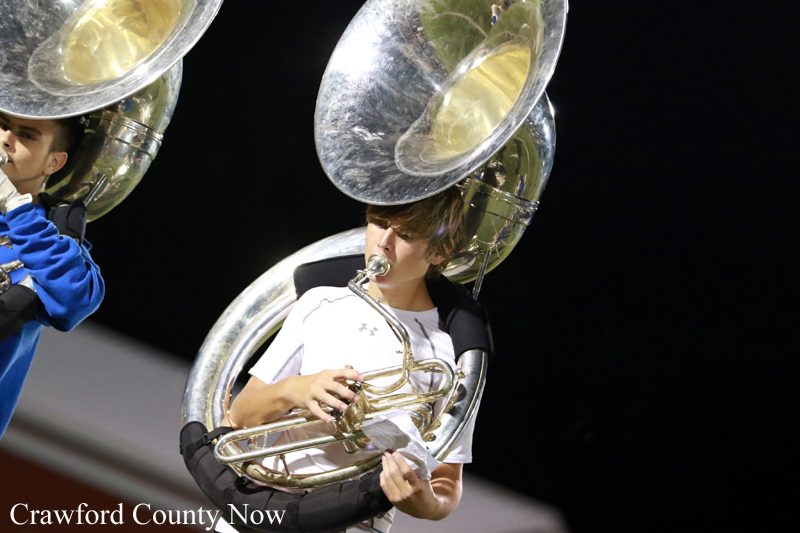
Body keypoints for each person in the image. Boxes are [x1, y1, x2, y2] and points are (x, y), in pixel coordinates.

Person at [228, 188, 473, 532]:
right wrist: (295, 390)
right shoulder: (319, 303)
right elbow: (239, 418)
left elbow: (448, 478)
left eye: (405, 235)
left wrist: (426, 501)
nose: (383, 243)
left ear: (439, 251)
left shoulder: (452, 355)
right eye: (379, 223)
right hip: (266, 506)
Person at [0, 111, 105, 439]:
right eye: (2, 124)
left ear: (53, 162)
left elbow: (74, 300)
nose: (5, 139)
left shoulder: (55, 242)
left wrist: (14, 206)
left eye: (27, 135)